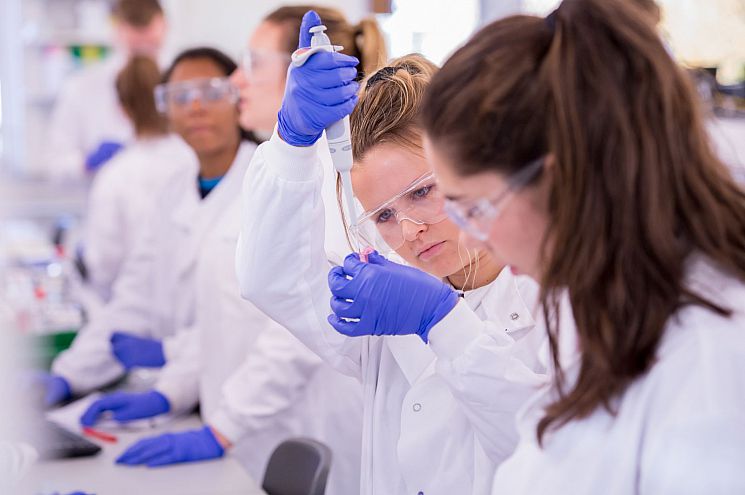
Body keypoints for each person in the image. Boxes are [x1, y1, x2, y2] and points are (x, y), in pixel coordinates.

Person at [419, 0, 745, 492]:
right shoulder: (610, 295)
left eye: (475, 209)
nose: (467, 237)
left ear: (561, 179)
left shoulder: (708, 377)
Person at [237, 11, 547, 495]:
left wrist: (445, 324)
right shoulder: (388, 310)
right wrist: (291, 142)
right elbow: (271, 278)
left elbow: (551, 455)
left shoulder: (554, 297)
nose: (409, 229)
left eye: (423, 192)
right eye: (382, 215)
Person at [101, 9, 387, 494]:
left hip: (311, 430)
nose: (235, 81)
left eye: (252, 64)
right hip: (252, 436)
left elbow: (297, 331)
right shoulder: (266, 171)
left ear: (305, 69)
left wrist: (223, 425)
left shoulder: (336, 177)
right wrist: (173, 392)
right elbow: (229, 313)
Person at [40, 47, 254, 410]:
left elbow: (254, 322)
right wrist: (68, 373)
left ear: (239, 99)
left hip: (253, 401)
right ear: (166, 110)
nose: (196, 107)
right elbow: (133, 300)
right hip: (192, 396)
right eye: (180, 96)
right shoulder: (172, 193)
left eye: (212, 91)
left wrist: (170, 354)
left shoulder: (268, 183)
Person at [83, 55, 195, 303]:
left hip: (133, 306)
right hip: (195, 304)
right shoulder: (194, 158)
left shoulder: (115, 175)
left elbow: (102, 264)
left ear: (122, 109)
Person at [45, 0, 168, 179]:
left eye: (150, 44)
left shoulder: (176, 82)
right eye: (135, 44)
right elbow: (55, 163)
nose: (143, 55)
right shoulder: (82, 87)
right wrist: (85, 163)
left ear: (164, 27)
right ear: (117, 31)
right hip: (106, 197)